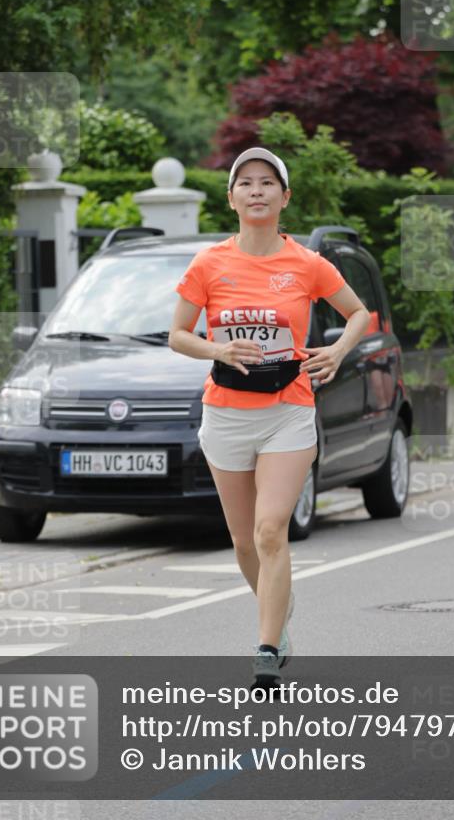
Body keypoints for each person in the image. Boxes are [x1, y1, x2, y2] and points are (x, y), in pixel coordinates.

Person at [168, 147, 370, 691]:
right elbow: (178, 335)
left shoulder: (306, 263)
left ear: (285, 197)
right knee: (242, 541)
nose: (256, 190)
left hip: (288, 410)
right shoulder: (209, 263)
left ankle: (266, 647)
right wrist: (219, 351)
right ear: (231, 198)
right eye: (245, 183)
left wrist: (338, 351)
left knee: (270, 530)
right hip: (227, 413)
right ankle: (278, 616)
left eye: (267, 182)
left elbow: (359, 313)